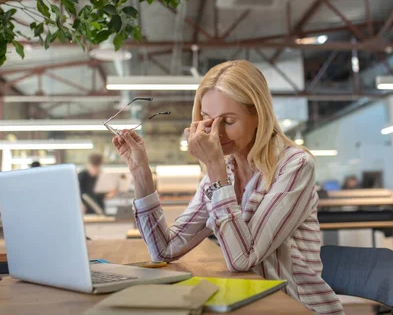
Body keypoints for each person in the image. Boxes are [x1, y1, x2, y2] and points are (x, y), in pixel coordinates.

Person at [112, 60, 343, 315]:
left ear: (258, 115)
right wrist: (141, 172)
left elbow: (242, 259)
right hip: (250, 305)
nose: (216, 134)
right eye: (208, 120)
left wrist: (214, 168)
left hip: (297, 307)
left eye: (229, 121)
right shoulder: (225, 170)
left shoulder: (295, 166)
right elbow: (164, 250)